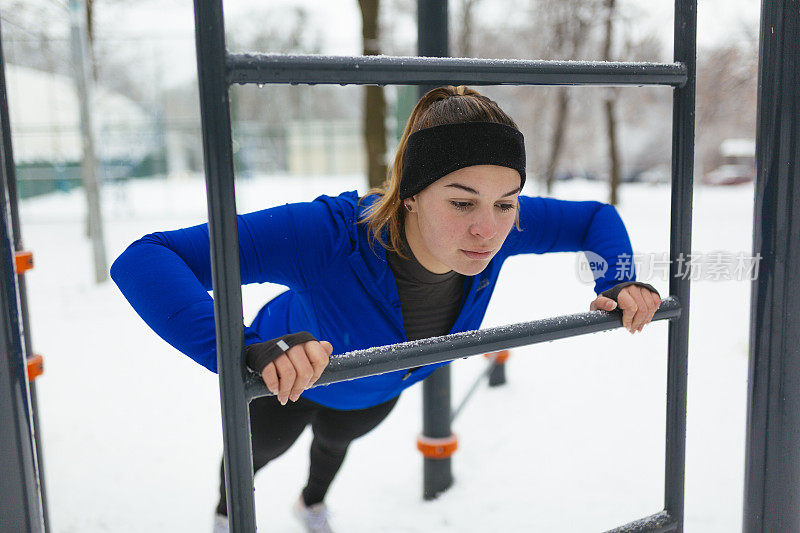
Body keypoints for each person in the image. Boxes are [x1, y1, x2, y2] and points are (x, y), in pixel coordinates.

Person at [110, 85, 661, 533]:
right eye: (462, 201)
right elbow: (146, 258)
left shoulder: (503, 227)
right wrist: (245, 348)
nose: (487, 229)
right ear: (412, 193)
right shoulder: (330, 234)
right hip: (280, 378)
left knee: (334, 445)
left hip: (375, 388)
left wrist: (618, 281)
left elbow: (594, 217)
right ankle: (227, 516)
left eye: (505, 202)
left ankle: (310, 507)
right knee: (254, 457)